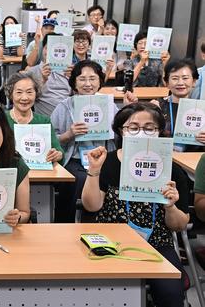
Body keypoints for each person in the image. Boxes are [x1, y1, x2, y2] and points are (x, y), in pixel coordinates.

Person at [82, 102, 189, 307]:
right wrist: (94, 171)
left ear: (159, 131)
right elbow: (91, 206)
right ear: (121, 131)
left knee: (170, 292)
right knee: (101, 291)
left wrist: (170, 206)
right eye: (133, 127)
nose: (141, 133)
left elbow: (180, 224)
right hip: (110, 241)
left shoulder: (172, 169)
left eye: (149, 128)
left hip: (156, 243)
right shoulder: (107, 161)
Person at [50, 60, 133, 222]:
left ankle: (105, 222)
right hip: (75, 159)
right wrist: (69, 134)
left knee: (112, 177)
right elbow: (51, 138)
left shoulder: (108, 104)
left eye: (93, 78)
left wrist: (126, 110)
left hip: (104, 158)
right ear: (74, 83)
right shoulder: (64, 106)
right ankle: (68, 223)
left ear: (100, 81)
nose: (88, 84)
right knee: (79, 179)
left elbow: (122, 134)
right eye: (82, 79)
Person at [4, 73, 63, 165]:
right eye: (19, 92)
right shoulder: (2, 119)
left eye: (29, 92)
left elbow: (58, 149)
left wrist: (57, 155)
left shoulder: (43, 121)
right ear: (11, 95)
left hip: (39, 170)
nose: (24, 98)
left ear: (36, 94)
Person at [153, 58, 204, 151]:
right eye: (175, 78)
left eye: (185, 78)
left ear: (194, 82)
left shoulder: (202, 109)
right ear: (167, 83)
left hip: (193, 158)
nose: (180, 83)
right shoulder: (157, 106)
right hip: (163, 155)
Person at [26, 33, 72, 117]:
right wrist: (43, 80)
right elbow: (27, 97)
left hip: (69, 116)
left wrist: (74, 80)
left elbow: (78, 96)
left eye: (57, 50)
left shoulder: (69, 71)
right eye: (48, 48)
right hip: (46, 118)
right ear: (43, 49)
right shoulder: (32, 72)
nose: (51, 52)